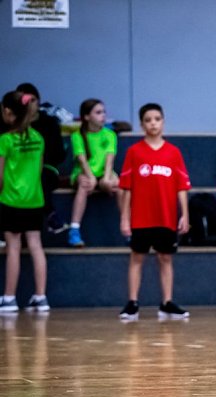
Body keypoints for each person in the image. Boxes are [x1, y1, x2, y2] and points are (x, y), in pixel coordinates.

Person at [118, 103, 191, 321]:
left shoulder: (173, 153)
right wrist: (125, 217)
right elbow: (127, 188)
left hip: (166, 217)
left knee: (165, 258)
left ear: (163, 122)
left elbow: (182, 187)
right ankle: (132, 303)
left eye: (157, 119)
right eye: (148, 120)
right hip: (141, 217)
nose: (153, 123)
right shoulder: (134, 152)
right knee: (137, 258)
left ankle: (167, 303)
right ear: (142, 125)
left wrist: (184, 214)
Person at [0, 91, 50, 313]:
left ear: (8, 113)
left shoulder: (5, 140)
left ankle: (9, 298)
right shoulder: (38, 138)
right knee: (36, 246)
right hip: (34, 200)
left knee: (13, 248)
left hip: (11, 200)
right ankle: (41, 297)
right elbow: (39, 171)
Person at [14, 83, 67, 235]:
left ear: (38, 101)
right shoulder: (12, 125)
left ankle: (50, 217)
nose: (29, 105)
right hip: (18, 170)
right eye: (24, 102)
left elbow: (59, 154)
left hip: (46, 168)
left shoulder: (49, 123)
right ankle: (50, 215)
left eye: (33, 100)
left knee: (40, 179)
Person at [68, 99, 119, 247]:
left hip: (104, 172)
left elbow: (110, 159)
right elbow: (82, 160)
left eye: (104, 112)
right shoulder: (77, 136)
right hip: (84, 172)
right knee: (85, 184)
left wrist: (107, 179)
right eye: (98, 112)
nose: (103, 115)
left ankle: (128, 229)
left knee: (120, 185)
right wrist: (92, 178)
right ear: (86, 117)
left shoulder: (110, 135)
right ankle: (74, 230)